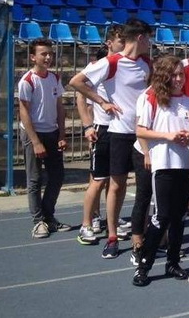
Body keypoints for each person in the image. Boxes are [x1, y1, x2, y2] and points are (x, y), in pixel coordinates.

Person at [70, 18, 152, 259]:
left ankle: (141, 235)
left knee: (145, 187)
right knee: (117, 185)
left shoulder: (147, 63)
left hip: (142, 135)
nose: (150, 43)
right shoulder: (112, 62)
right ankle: (112, 236)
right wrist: (102, 102)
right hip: (119, 133)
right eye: (149, 38)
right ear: (140, 38)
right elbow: (76, 82)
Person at [131, 56, 189, 286]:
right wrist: (168, 136)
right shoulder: (152, 97)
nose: (178, 79)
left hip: (186, 164)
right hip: (164, 164)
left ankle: (173, 262)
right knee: (162, 216)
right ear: (164, 76)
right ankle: (144, 265)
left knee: (180, 216)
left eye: (181, 75)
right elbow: (141, 131)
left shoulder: (188, 102)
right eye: (174, 75)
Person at [74, 25, 125, 245]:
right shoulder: (98, 65)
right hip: (102, 128)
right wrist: (88, 126)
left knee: (116, 180)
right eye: (121, 41)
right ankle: (88, 222)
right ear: (109, 43)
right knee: (98, 180)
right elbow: (80, 94)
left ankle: (111, 219)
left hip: (120, 130)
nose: (125, 45)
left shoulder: (127, 65)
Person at [18, 38, 71, 238]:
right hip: (34, 133)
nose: (48, 57)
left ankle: (49, 217)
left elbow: (59, 107)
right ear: (33, 57)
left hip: (52, 132)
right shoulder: (27, 80)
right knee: (35, 179)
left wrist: (62, 134)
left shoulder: (54, 78)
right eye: (44, 54)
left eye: (50, 53)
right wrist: (36, 141)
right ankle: (38, 221)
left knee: (57, 176)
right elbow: (24, 112)